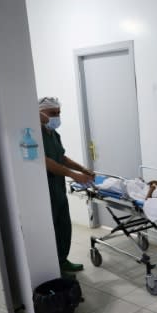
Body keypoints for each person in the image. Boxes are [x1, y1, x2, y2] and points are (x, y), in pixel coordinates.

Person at [39, 97, 95, 273]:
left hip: (58, 185)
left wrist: (83, 169)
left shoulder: (54, 134)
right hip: (45, 185)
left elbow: (61, 157)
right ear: (39, 113)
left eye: (58, 113)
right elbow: (46, 161)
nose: (56, 117)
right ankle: (52, 266)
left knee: (63, 224)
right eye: (52, 113)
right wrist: (73, 175)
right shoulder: (36, 134)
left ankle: (62, 260)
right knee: (51, 226)